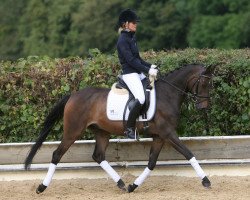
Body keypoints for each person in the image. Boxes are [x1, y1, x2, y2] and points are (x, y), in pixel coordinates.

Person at [116, 8, 158, 139]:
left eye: (136, 22)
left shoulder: (132, 38)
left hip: (138, 73)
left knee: (152, 89)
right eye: (133, 22)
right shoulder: (122, 41)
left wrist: (150, 65)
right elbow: (131, 61)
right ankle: (129, 128)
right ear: (125, 24)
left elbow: (138, 59)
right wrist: (148, 70)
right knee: (140, 98)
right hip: (130, 75)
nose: (136, 24)